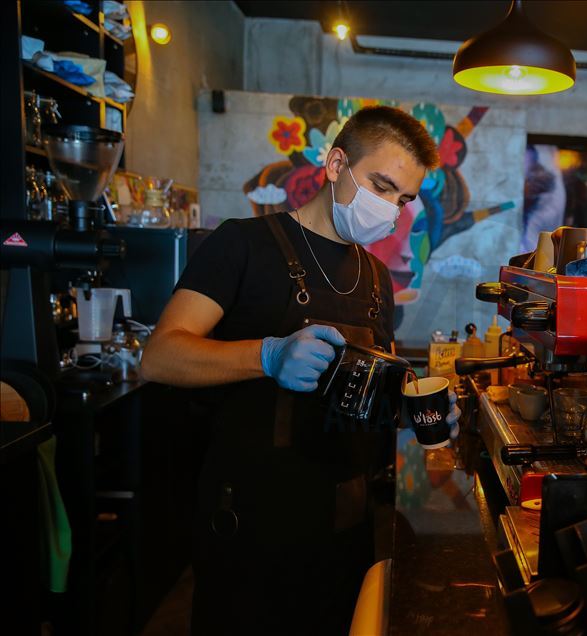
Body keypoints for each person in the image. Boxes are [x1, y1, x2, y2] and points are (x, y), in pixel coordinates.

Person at [141, 106, 459, 635]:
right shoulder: (242, 244)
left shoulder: (376, 277)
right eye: (381, 186)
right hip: (253, 531)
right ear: (336, 164)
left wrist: (414, 411)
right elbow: (159, 357)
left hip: (345, 529)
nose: (389, 209)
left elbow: (370, 393)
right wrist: (267, 356)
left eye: (403, 200)